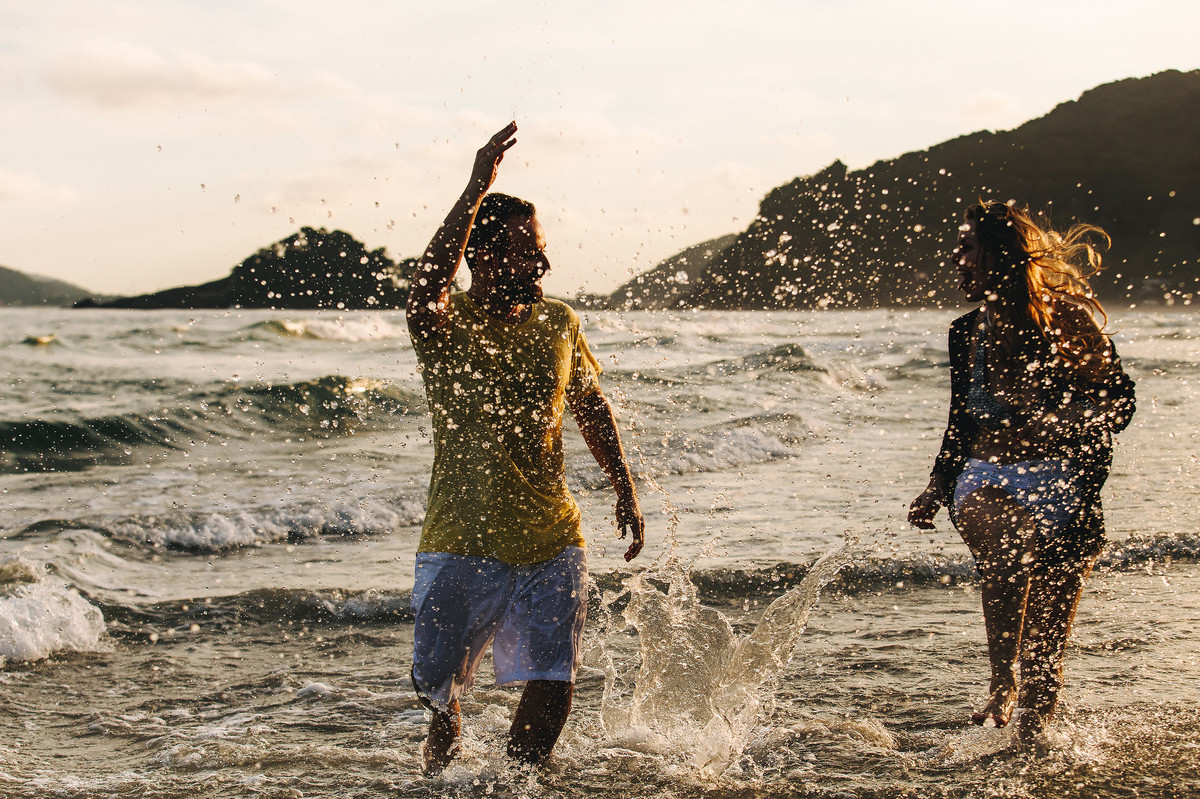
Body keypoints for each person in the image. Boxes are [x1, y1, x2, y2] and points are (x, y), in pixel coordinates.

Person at [406, 122, 645, 774]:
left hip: (551, 539)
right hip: (460, 542)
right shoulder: (448, 327)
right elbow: (423, 289)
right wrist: (476, 186)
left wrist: (623, 484)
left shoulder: (561, 321)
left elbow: (590, 406)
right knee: (440, 693)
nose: (541, 264)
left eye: (541, 251)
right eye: (524, 253)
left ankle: (515, 782)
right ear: (480, 259)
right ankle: (445, 760)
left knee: (553, 683)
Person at [908, 200, 1135, 743]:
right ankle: (1001, 680)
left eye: (967, 248)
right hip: (988, 475)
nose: (956, 260)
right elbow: (960, 422)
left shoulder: (1069, 320)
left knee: (1050, 641)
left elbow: (1118, 404)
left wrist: (1059, 418)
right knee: (1008, 546)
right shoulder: (966, 333)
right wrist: (938, 486)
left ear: (1000, 255)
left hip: (1068, 483)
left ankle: (1031, 730)